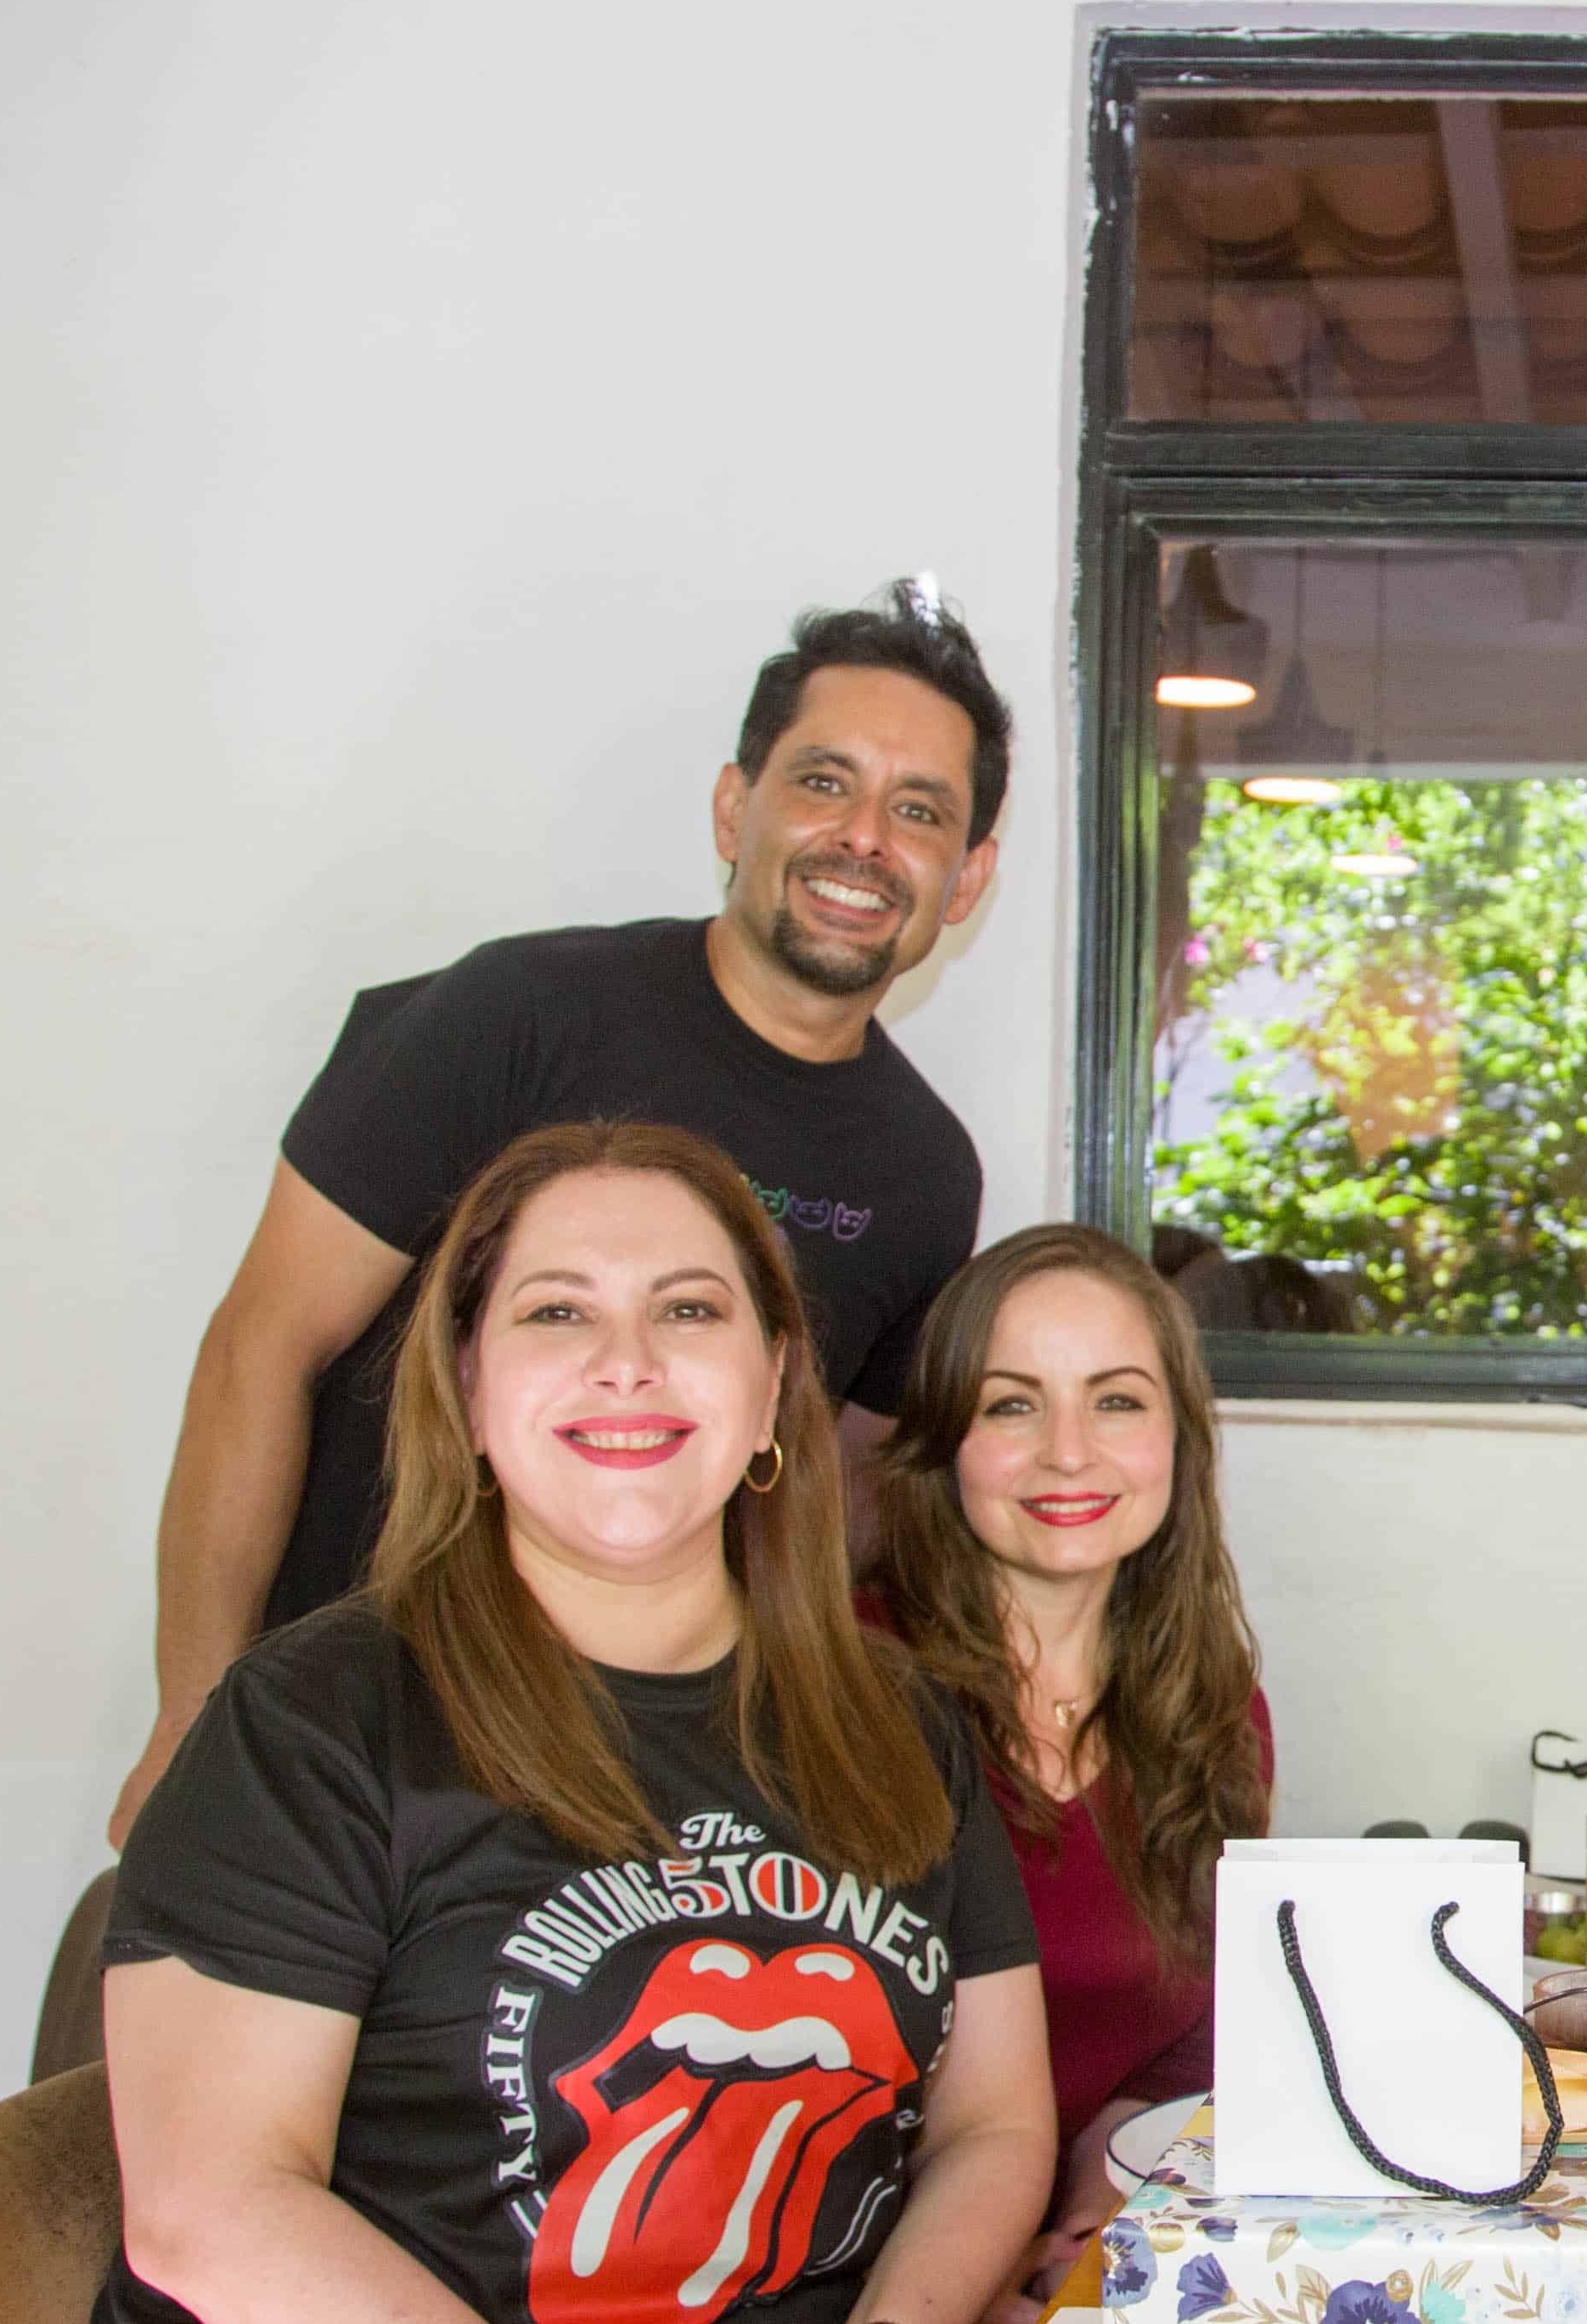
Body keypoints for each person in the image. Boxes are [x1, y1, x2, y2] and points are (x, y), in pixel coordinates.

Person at [84, 1123, 1242, 2324]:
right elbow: (214, 2214)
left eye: (689, 1308)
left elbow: (995, 2119)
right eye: (559, 1310)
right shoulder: (319, 1713)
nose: (627, 1359)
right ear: (464, 1391)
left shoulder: (886, 1730)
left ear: (778, 1392)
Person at [110, 587, 1009, 1844]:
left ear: (967, 878)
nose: (865, 838)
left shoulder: (925, 1176)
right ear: (732, 808)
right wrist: (196, 1721)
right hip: (353, 1756)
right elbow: (262, 1345)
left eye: (920, 812)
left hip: (647, 1801)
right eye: (823, 782)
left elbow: (826, 1509)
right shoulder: (514, 1016)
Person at [865, 1224, 1480, 2324]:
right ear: (941, 1446)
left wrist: (1095, 2197)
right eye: (1014, 1407)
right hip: (881, 2309)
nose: (1070, 1457)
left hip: (1068, 2274)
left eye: (1116, 1403)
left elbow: (1171, 2048)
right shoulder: (849, 1687)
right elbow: (806, 2069)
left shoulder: (1199, 1696)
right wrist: (959, 2279)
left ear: (1178, 1443)